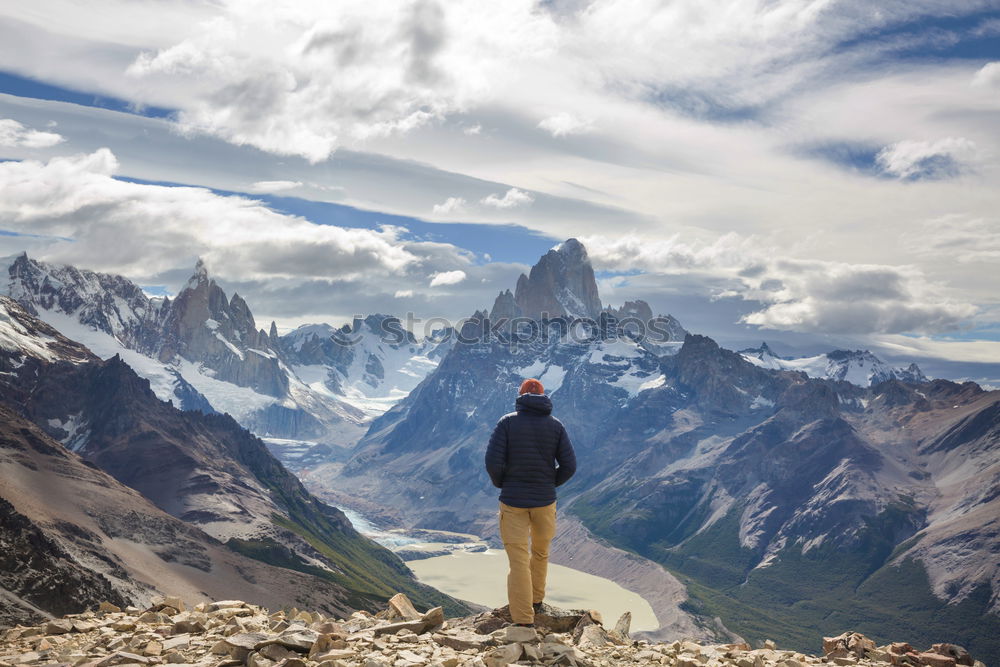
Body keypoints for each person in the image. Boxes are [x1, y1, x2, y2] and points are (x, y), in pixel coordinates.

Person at [484, 378, 577, 627]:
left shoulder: (507, 423)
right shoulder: (556, 426)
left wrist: (503, 484)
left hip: (513, 502)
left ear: (520, 396)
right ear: (543, 397)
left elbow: (492, 462)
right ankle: (536, 602)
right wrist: (549, 484)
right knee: (540, 552)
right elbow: (569, 466)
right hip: (545, 502)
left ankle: (523, 620)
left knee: (518, 560)